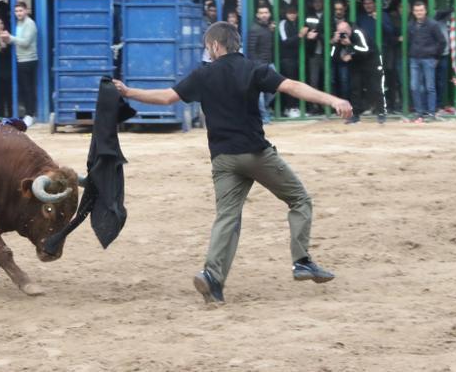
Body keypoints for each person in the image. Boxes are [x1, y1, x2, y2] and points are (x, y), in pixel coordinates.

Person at [113, 22, 351, 304]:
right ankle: (301, 261)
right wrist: (332, 99)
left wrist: (128, 92)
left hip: (223, 160)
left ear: (215, 45)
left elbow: (166, 97)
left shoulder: (203, 74)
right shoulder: (253, 69)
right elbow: (292, 87)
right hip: (255, 154)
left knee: (227, 217)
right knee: (300, 200)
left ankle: (212, 277)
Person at [331, 21, 385, 124]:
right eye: (340, 32)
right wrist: (335, 42)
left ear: (348, 29)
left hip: (371, 63)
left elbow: (366, 50)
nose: (343, 34)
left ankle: (381, 113)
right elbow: (333, 56)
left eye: (344, 32)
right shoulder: (339, 39)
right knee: (355, 89)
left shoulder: (358, 33)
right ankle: (355, 115)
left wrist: (350, 45)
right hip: (356, 65)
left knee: (375, 88)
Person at [407, 1, 447, 121]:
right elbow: (410, 40)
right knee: (415, 87)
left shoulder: (433, 25)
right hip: (415, 59)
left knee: (430, 87)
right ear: (413, 12)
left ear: (425, 11)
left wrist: (436, 57)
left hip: (429, 59)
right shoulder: (411, 25)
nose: (419, 12)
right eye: (417, 10)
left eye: (421, 10)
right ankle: (419, 112)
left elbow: (442, 42)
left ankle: (431, 113)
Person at [2, 1, 38, 123]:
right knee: (24, 88)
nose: (18, 13)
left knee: (28, 89)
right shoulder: (19, 23)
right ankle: (29, 113)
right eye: (16, 11)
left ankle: (30, 114)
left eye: (20, 10)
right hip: (20, 59)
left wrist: (10, 38)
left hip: (28, 60)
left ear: (26, 10)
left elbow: (26, 42)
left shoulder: (30, 23)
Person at [279, 5, 301, 117]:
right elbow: (285, 41)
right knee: (290, 84)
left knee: (296, 83)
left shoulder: (297, 23)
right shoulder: (283, 23)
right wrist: (299, 36)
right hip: (286, 59)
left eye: (294, 12)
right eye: (290, 13)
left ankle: (294, 107)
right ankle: (289, 108)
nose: (292, 15)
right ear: (286, 14)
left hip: (296, 59)